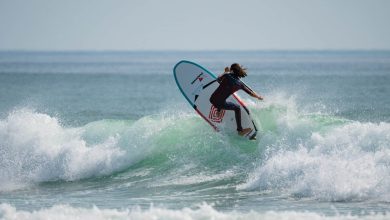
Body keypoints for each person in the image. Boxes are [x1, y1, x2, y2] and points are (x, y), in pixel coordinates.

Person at [210, 63, 263, 136]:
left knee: (221, 96)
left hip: (212, 99)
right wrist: (258, 97)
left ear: (231, 70)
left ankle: (218, 109)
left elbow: (218, 80)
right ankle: (240, 130)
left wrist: (225, 72)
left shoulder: (227, 75)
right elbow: (250, 93)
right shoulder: (240, 84)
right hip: (220, 103)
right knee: (237, 108)